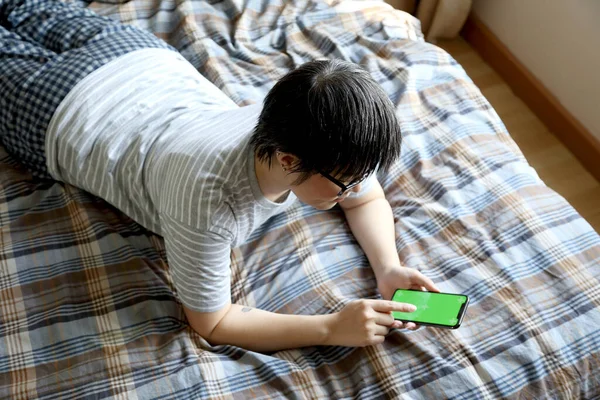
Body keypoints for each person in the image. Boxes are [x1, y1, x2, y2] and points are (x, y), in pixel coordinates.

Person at [0, 0, 440, 352]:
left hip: (138, 57)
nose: (356, 187)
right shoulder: (208, 200)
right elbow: (213, 321)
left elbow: (363, 198)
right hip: (61, 108)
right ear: (288, 161)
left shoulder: (304, 118)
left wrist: (388, 267)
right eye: (346, 180)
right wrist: (329, 328)